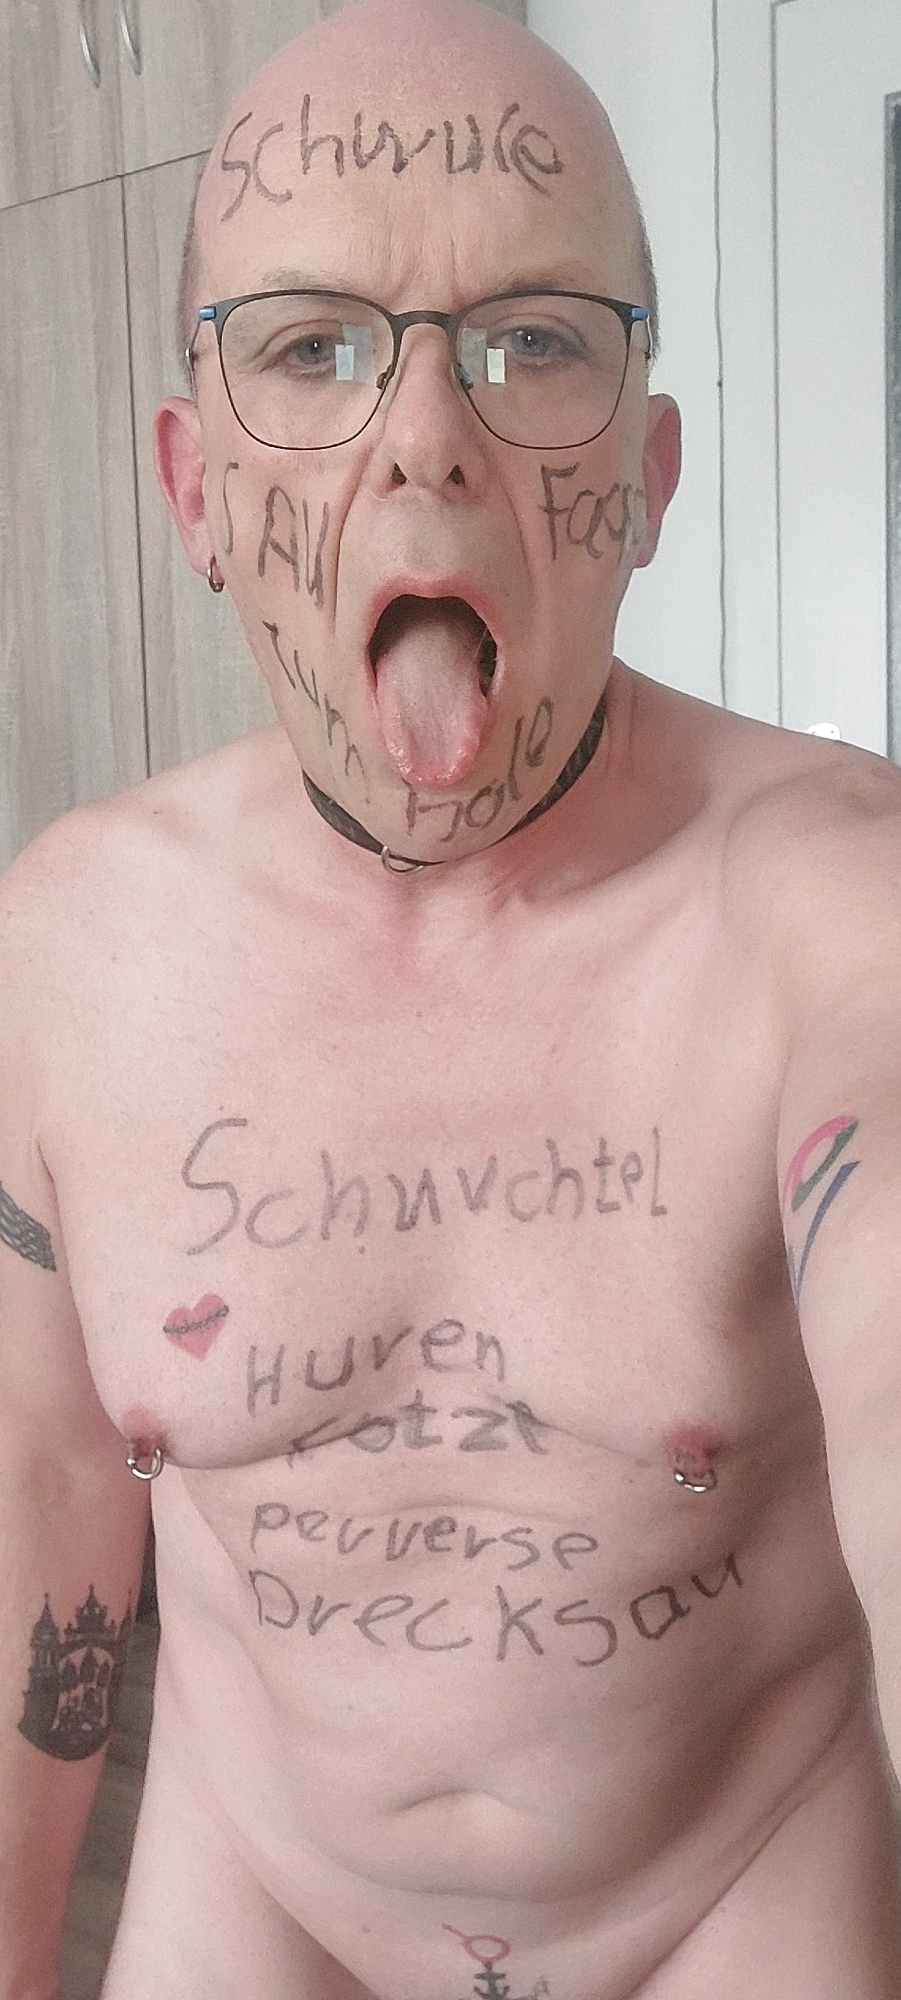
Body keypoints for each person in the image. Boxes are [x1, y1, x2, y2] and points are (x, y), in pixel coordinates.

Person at [2, 0, 900, 1992]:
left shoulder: (848, 906)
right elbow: (36, 1494)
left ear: (646, 479)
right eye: (311, 348)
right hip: (260, 1900)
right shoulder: (63, 954)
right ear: (193, 490)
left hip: (738, 1889)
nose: (426, 437)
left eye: (533, 344)